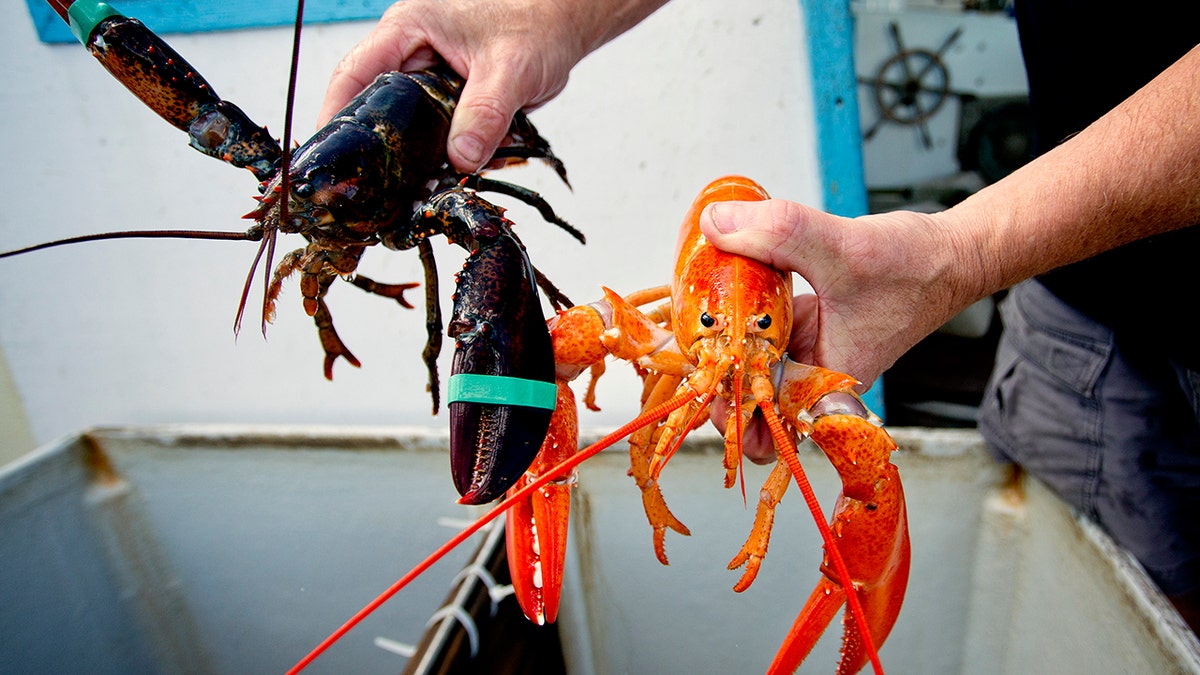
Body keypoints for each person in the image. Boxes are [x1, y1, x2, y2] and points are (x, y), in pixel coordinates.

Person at [320, 0, 1200, 631]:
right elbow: (573, 344)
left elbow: (865, 478)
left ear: (789, 312)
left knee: (880, 476)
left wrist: (959, 255)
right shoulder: (672, 317)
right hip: (1086, 315)